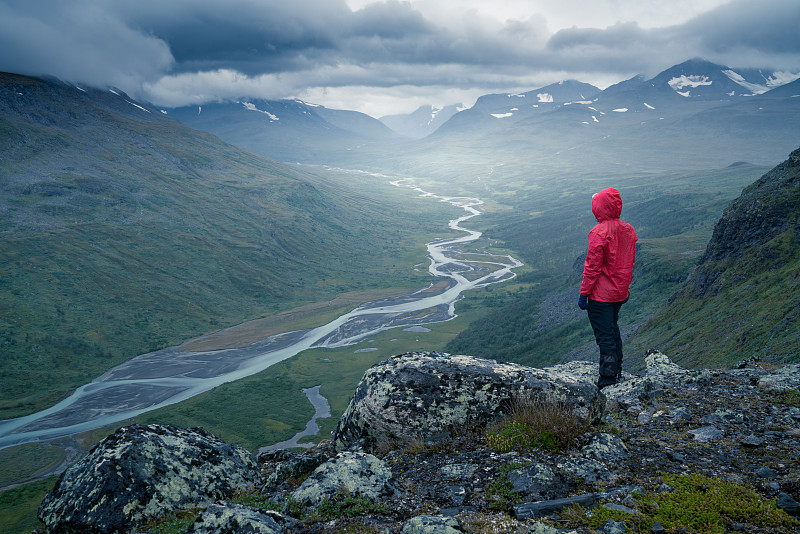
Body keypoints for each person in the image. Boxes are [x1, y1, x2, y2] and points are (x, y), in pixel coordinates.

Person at [577, 188, 637, 389]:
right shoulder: (628, 229)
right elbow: (628, 262)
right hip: (619, 293)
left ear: (599, 207)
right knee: (612, 329)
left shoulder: (598, 232)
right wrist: (624, 289)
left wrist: (584, 293)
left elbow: (592, 267)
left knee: (604, 335)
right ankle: (617, 369)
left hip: (601, 296)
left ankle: (608, 379)